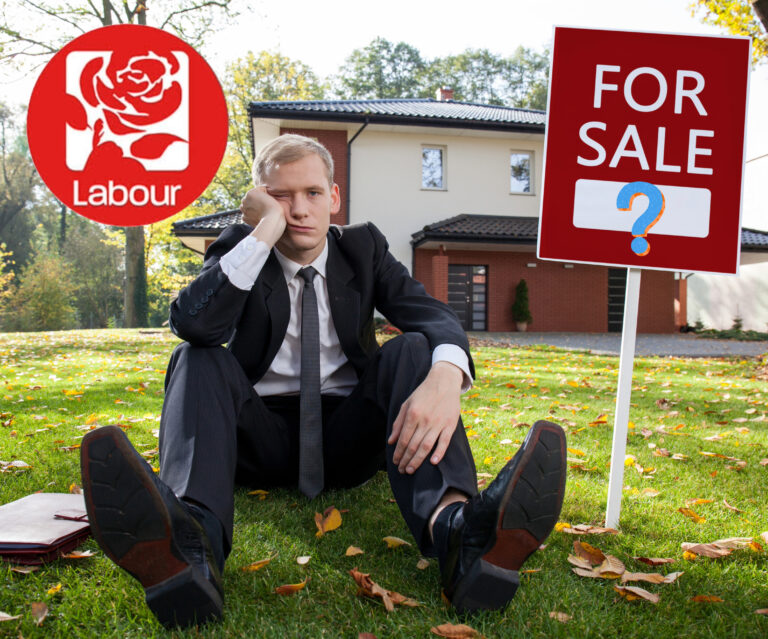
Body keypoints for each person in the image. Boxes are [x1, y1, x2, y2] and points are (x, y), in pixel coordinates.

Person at [80, 134, 567, 629]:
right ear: (259, 201)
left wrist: (446, 375)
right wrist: (261, 233)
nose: (299, 210)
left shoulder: (364, 247)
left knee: (416, 349)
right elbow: (195, 324)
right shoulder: (239, 249)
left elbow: (432, 315)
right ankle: (191, 548)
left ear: (334, 198)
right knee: (197, 358)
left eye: (312, 193)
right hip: (257, 439)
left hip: (349, 437)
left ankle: (459, 534)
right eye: (281, 197)